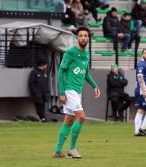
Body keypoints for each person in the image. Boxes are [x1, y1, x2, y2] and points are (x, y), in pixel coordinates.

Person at [52, 26, 101, 158]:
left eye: (85, 36)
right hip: (69, 90)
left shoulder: (86, 54)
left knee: (68, 120)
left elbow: (86, 73)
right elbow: (61, 71)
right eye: (81, 36)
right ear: (76, 38)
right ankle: (72, 148)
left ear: (88, 38)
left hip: (77, 92)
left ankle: (57, 150)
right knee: (81, 116)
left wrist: (94, 85)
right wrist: (62, 92)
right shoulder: (70, 53)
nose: (83, 38)